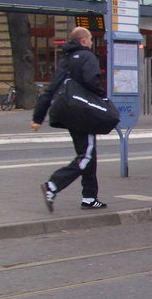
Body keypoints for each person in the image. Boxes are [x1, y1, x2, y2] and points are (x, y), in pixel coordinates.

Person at [31, 26, 108, 211]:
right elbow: (92, 81)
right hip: (84, 113)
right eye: (89, 39)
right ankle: (53, 185)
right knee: (86, 156)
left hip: (69, 114)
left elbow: (50, 90)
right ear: (83, 41)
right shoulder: (87, 56)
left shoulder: (65, 60)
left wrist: (38, 118)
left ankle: (89, 197)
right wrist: (103, 101)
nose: (90, 42)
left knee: (88, 153)